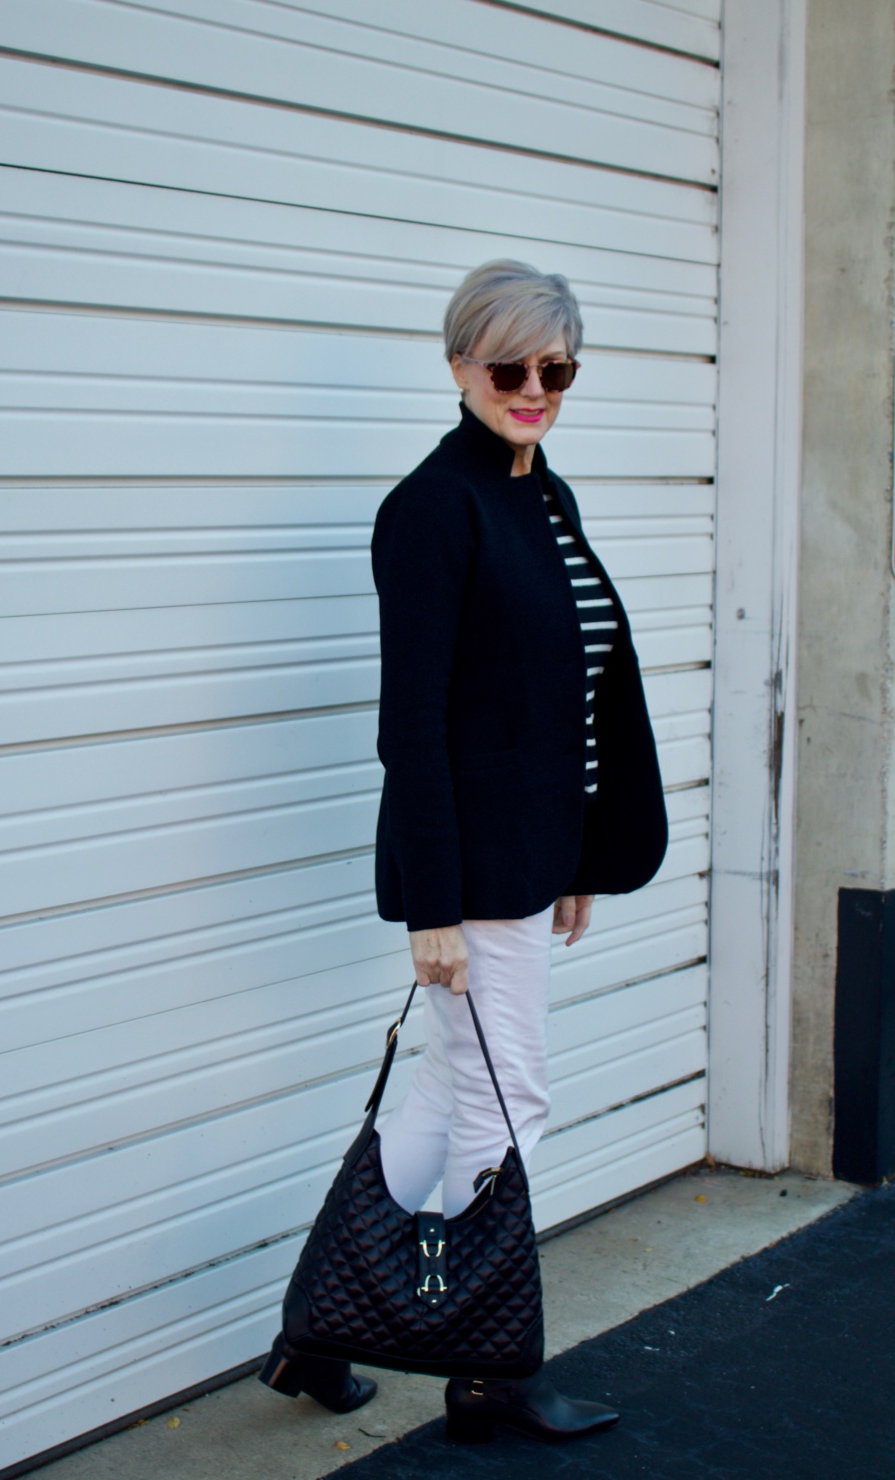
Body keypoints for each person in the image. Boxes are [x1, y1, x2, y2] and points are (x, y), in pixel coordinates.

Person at [260, 260, 668, 1443]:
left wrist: (581, 849)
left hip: (531, 854)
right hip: (474, 872)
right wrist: (430, 903)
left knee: (451, 1081)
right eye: (510, 369)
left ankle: (318, 1331)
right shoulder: (433, 510)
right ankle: (490, 1365)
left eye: (557, 369)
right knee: (509, 1087)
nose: (534, 389)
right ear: (458, 368)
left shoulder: (544, 493)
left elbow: (557, 695)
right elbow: (416, 721)